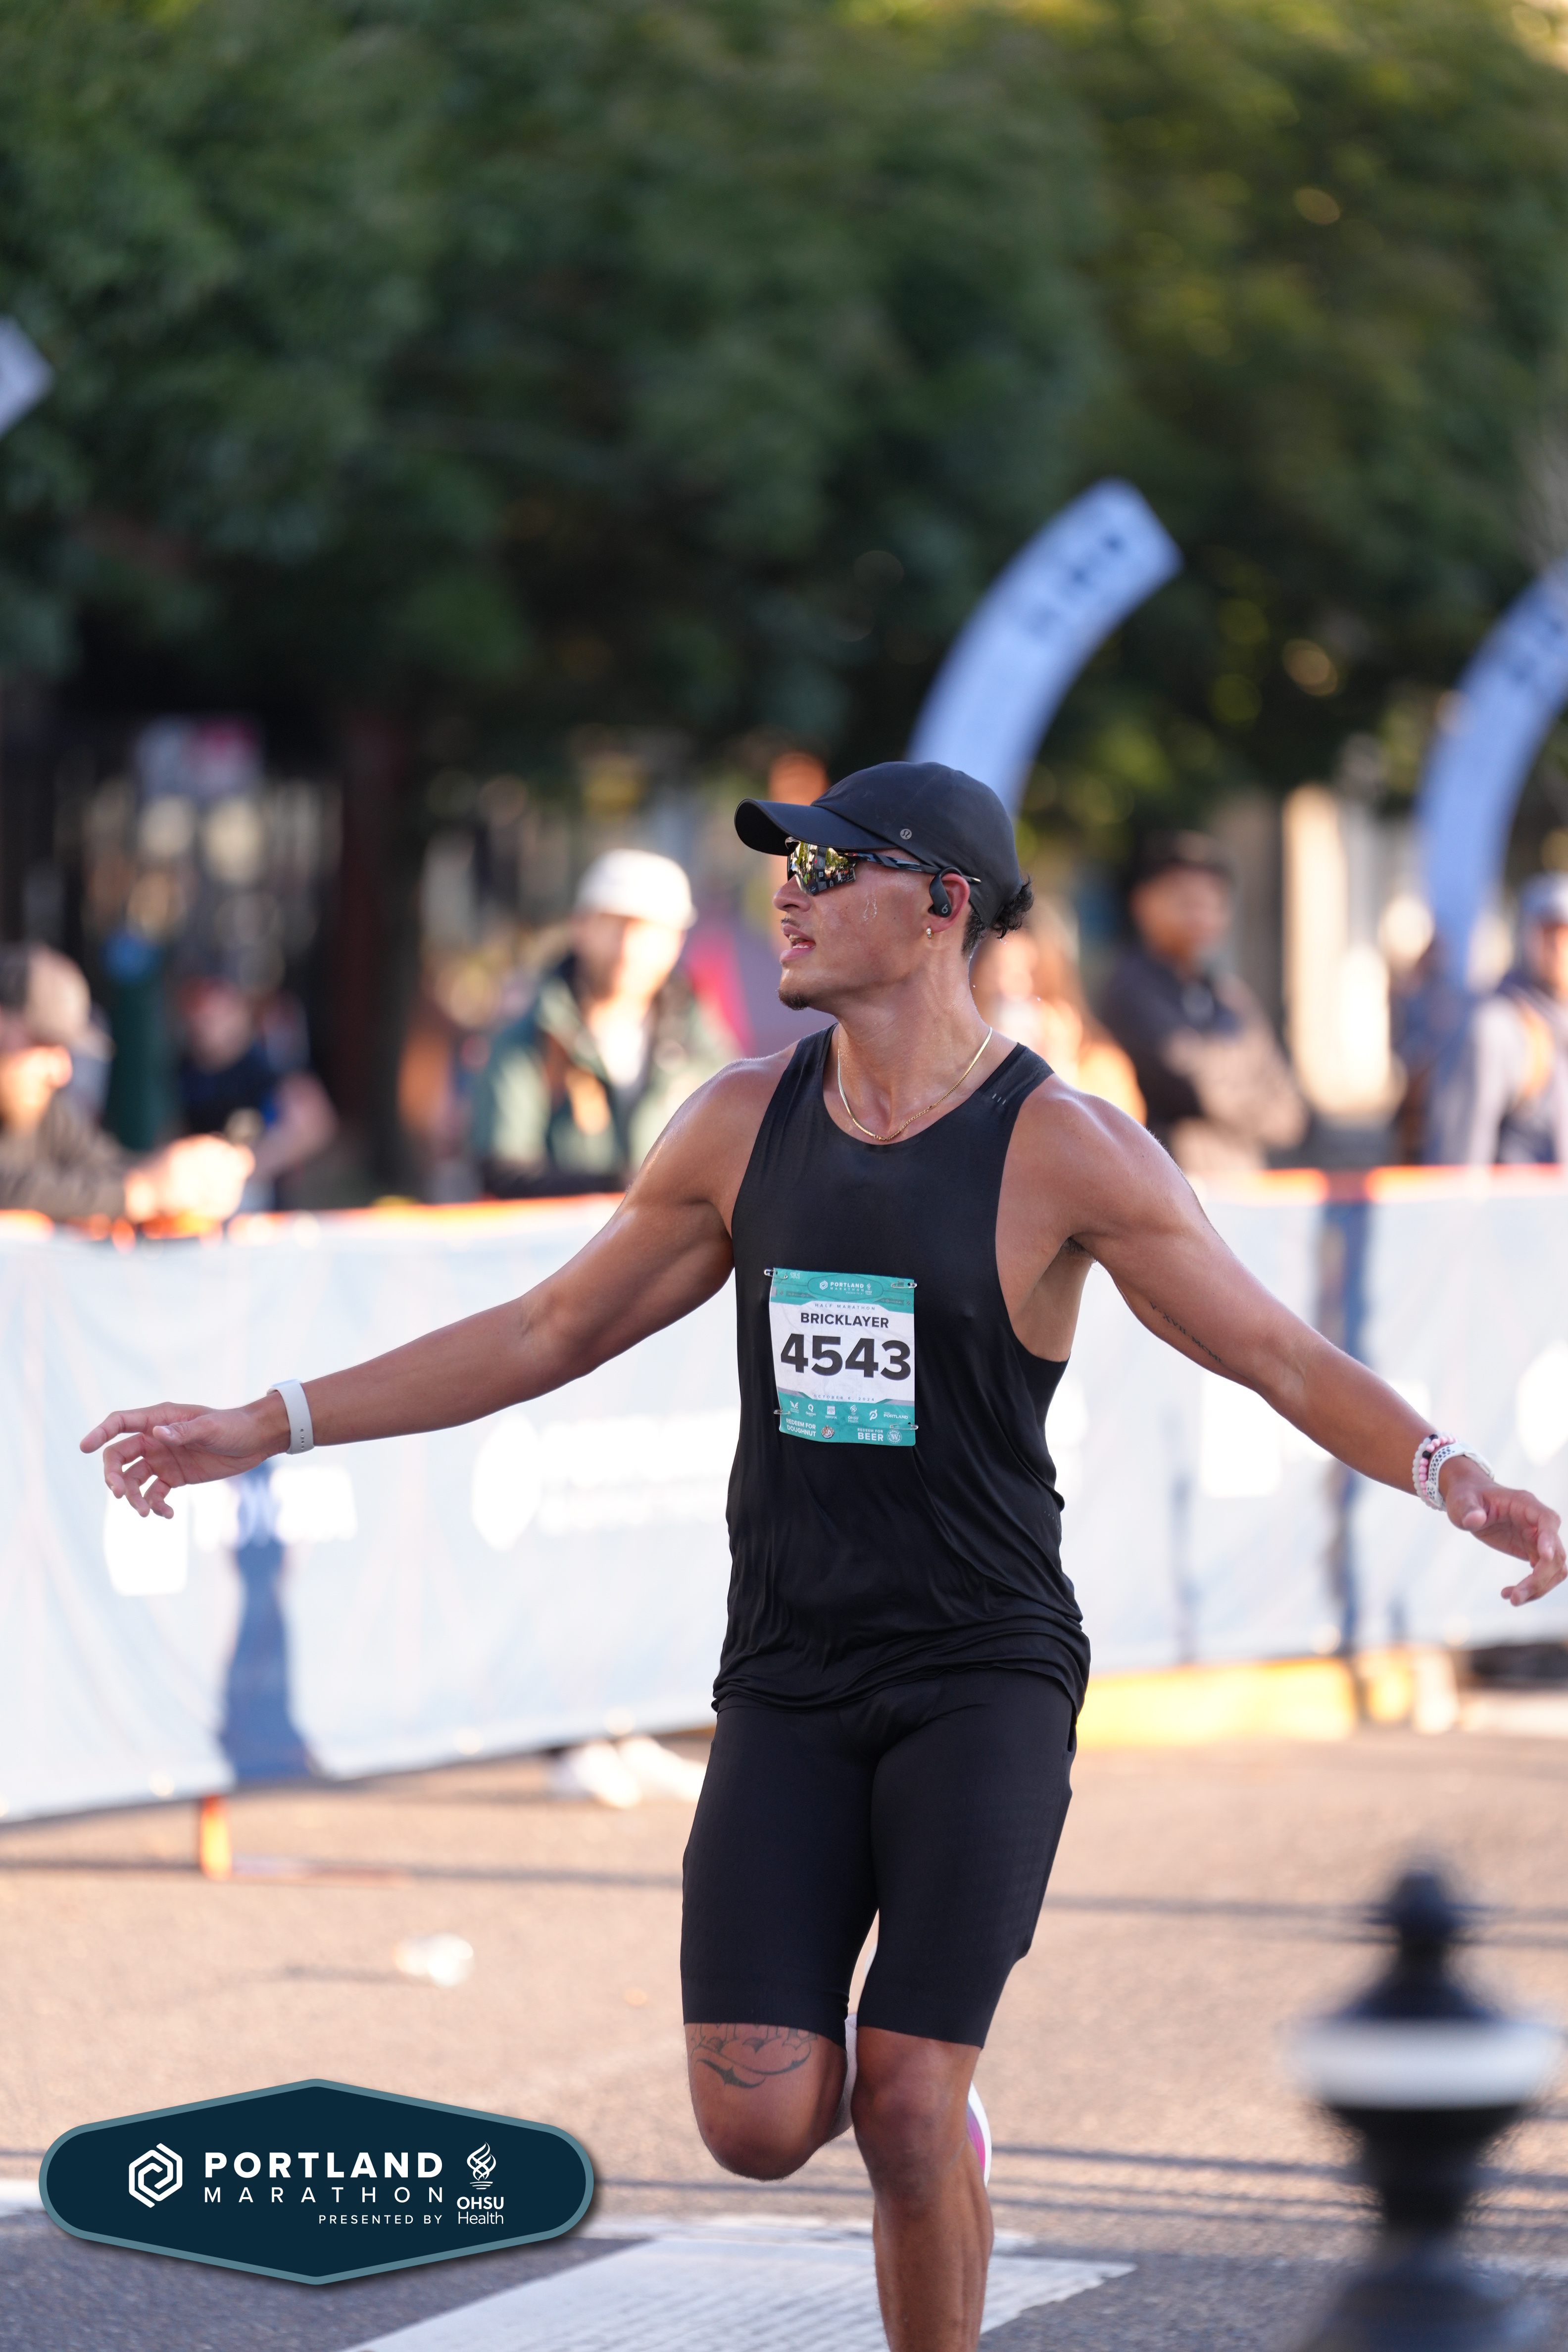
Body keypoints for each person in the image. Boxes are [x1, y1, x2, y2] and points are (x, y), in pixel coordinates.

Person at [83, 761, 1563, 2352]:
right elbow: (545, 1328)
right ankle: (944, 2144)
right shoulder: (741, 1122)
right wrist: (268, 1421)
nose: (788, 893)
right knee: (759, 2121)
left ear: (940, 911)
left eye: (832, 868)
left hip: (983, 1668)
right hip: (789, 1669)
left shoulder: (1065, 1146)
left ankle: (936, 2150)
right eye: (788, 864)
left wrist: (1451, 1472)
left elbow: (1272, 1350)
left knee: (904, 2103)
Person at [470, 848, 738, 1197]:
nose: (629, 947)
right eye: (613, 925)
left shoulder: (702, 1044)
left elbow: (738, 1152)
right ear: (579, 927)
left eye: (648, 930)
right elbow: (504, 1174)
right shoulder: (529, 1040)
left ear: (677, 941)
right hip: (566, 1234)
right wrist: (625, 1190)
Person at [1099, 831, 1307, 1176]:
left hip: (1244, 1181)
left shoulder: (1230, 997)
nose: (1201, 913)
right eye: (1186, 900)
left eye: (1214, 901)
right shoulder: (1131, 989)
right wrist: (1255, 1100)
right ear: (1142, 903)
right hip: (1167, 1181)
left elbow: (1290, 1107)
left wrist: (1249, 1102)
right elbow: (1196, 1085)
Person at [0, 944, 250, 1225]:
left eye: (65, 1049)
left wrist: (185, 1177)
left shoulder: (44, 1112)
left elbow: (107, 1168)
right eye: (44, 1044)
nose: (61, 1072)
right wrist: (141, 1193)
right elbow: (11, 1190)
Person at [1425, 873, 1568, 1165]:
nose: (1558, 947)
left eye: (1566, 934)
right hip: (1520, 1194)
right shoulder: (1498, 1029)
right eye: (1548, 932)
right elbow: (1459, 1165)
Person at [176, 970, 338, 1209]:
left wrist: (249, 1166)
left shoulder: (267, 1062)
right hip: (198, 1203)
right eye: (201, 1014)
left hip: (260, 1204)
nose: (208, 1020)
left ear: (239, 1011)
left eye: (217, 1011)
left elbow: (317, 1123)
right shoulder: (185, 1073)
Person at [971, 902, 1144, 1122]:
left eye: (1029, 974)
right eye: (995, 972)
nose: (1010, 991)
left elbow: (1120, 1137)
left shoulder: (1102, 1069)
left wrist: (1059, 1075)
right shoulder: (957, 1071)